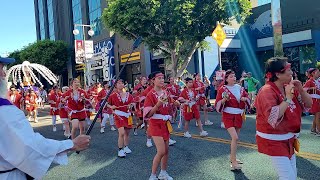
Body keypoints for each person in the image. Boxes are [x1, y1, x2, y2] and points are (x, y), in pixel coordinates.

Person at [0, 56, 91, 180]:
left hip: (80, 112)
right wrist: (71, 145)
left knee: (81, 126)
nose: (4, 74)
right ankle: (70, 135)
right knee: (73, 126)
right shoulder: (4, 111)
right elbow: (29, 146)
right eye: (0, 69)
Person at [255, 57, 312, 179]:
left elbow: (309, 104)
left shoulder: (289, 87)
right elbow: (273, 117)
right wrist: (288, 98)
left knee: (292, 176)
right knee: (288, 177)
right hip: (274, 140)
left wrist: (301, 90)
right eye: (288, 69)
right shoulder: (266, 91)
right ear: (277, 74)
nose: (292, 72)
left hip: (289, 139)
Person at [143, 71, 179, 180]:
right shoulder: (150, 95)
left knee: (166, 151)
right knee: (161, 151)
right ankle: (153, 175)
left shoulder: (165, 92)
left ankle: (163, 173)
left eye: (163, 78)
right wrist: (158, 104)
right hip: (155, 124)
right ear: (153, 80)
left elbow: (170, 102)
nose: (162, 80)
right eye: (159, 78)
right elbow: (148, 114)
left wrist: (176, 103)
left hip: (165, 124)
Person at [215, 70, 250, 170]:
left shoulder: (239, 88)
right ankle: (233, 162)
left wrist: (244, 99)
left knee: (235, 138)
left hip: (238, 115)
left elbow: (247, 98)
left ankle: (232, 157)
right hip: (228, 115)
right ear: (226, 79)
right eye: (231, 76)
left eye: (234, 76)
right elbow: (218, 104)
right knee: (235, 137)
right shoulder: (222, 89)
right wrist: (224, 100)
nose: (234, 78)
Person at [108, 79, 134, 158]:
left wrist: (131, 105)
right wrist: (111, 107)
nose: (120, 84)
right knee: (121, 133)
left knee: (127, 133)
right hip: (118, 115)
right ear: (115, 85)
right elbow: (106, 104)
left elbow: (132, 103)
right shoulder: (112, 95)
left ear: (124, 84)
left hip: (127, 115)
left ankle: (126, 146)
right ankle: (120, 149)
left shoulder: (128, 94)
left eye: (122, 83)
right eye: (118, 83)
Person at [303, 68, 320, 135]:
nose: (319, 73)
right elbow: (303, 89)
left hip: (318, 99)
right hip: (314, 100)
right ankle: (318, 130)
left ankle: (313, 129)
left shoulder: (318, 81)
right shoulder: (309, 81)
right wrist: (311, 88)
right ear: (313, 73)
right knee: (318, 115)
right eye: (318, 72)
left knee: (317, 115)